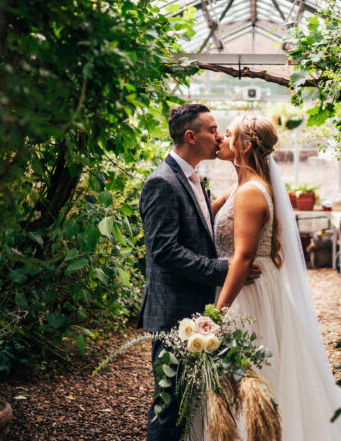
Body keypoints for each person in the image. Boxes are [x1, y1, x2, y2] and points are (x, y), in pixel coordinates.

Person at [212, 114, 341, 441]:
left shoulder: (249, 193)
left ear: (244, 146)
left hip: (249, 290)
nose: (219, 139)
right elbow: (205, 211)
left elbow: (244, 256)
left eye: (226, 134)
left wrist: (217, 312)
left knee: (254, 371)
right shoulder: (242, 185)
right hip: (249, 283)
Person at [138, 104, 261, 441]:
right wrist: (221, 270)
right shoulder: (161, 183)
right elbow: (165, 251)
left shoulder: (192, 177)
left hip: (193, 307)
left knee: (188, 407)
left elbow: (200, 223)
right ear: (190, 136)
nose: (219, 136)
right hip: (174, 312)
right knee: (170, 408)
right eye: (212, 129)